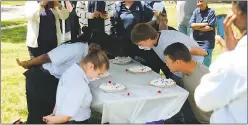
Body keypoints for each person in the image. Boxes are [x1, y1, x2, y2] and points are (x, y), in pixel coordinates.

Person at [15, 31, 96, 124]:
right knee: (39, 116)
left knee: (48, 116)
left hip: (50, 79)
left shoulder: (86, 53)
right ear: (94, 45)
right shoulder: (77, 48)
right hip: (41, 79)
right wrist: (28, 64)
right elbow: (47, 57)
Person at [194, 1, 247, 123]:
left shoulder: (234, 62)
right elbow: (193, 24)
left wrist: (228, 55)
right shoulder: (196, 12)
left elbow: (203, 100)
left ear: (239, 14)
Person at [42, 44, 109, 124]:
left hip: (63, 115)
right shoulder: (79, 85)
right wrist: (51, 120)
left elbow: (60, 97)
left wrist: (54, 113)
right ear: (91, 67)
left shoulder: (71, 70)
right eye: (99, 73)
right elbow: (66, 116)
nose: (98, 77)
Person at [131, 23, 208, 77]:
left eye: (140, 44)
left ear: (148, 39)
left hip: (191, 73)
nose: (140, 47)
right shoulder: (156, 37)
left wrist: (205, 53)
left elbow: (194, 50)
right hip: (178, 72)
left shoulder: (169, 43)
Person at [163, 42, 212, 123]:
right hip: (196, 118)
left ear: (178, 62)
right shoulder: (186, 72)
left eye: (167, 62)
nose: (166, 64)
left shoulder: (203, 79)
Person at [189, 0, 217, 67]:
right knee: (195, 64)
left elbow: (210, 27)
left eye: (201, 1)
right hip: (196, 42)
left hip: (207, 43)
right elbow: (191, 25)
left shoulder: (211, 12)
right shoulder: (196, 11)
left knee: (206, 64)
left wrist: (197, 27)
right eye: (198, 2)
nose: (199, 4)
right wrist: (204, 24)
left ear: (206, 2)